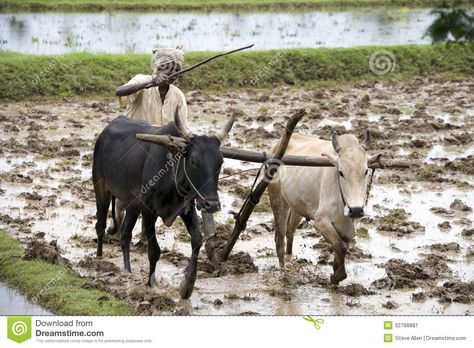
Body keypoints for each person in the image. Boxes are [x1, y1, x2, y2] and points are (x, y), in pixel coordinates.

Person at [108, 46, 190, 240]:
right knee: (126, 194)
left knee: (156, 192)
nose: (172, 75)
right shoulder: (142, 81)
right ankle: (117, 226)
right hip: (134, 147)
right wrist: (150, 82)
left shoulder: (178, 96)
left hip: (161, 152)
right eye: (167, 69)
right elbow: (120, 91)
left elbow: (184, 129)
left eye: (176, 70)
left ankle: (147, 233)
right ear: (157, 69)